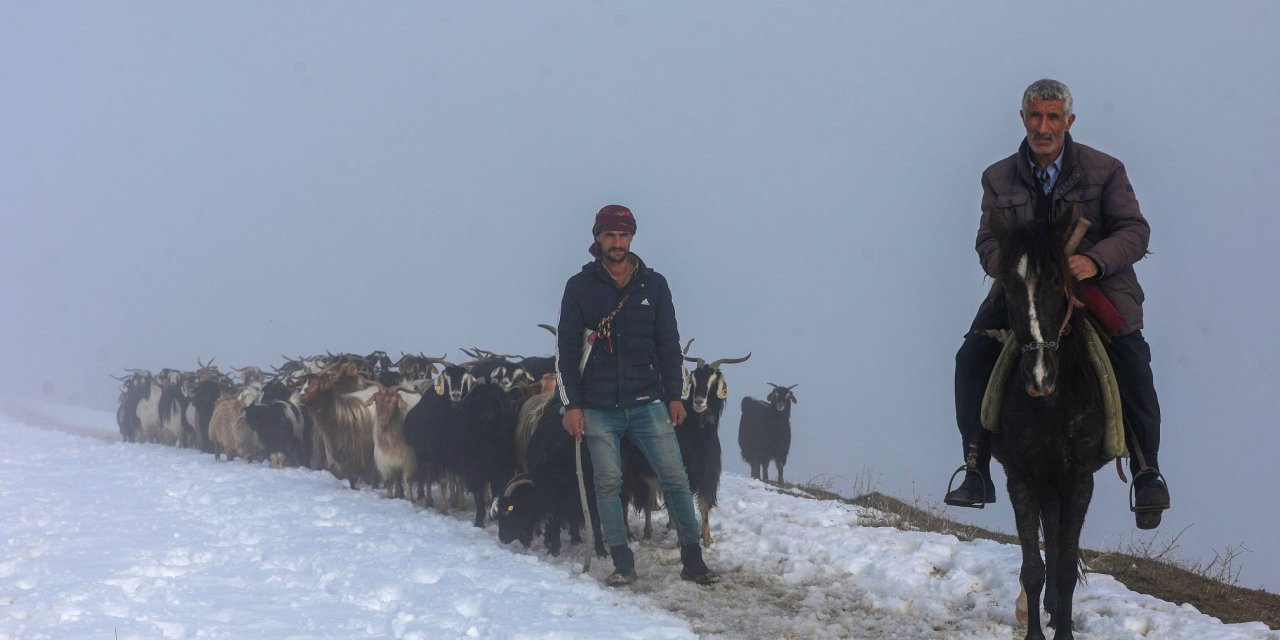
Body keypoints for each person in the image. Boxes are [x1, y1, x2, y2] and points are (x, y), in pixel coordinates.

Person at [944, 79, 1172, 529]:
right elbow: (988, 238)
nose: (1043, 126)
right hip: (1024, 289)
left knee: (1131, 358)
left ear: (1069, 121)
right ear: (1023, 118)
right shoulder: (997, 177)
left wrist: (1093, 260)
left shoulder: (1105, 170)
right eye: (1035, 116)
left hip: (1093, 288)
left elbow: (1134, 230)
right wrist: (1006, 266)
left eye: (1052, 117)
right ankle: (976, 468)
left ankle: (1147, 472)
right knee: (971, 355)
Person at [555, 204, 718, 586]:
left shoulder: (653, 285)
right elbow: (565, 351)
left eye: (623, 235)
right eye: (610, 235)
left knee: (675, 478)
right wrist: (571, 405)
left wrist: (675, 396)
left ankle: (693, 560)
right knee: (608, 483)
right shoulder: (579, 288)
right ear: (598, 238)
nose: (617, 242)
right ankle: (623, 563)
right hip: (598, 406)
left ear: (632, 238)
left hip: (647, 402)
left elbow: (668, 343)